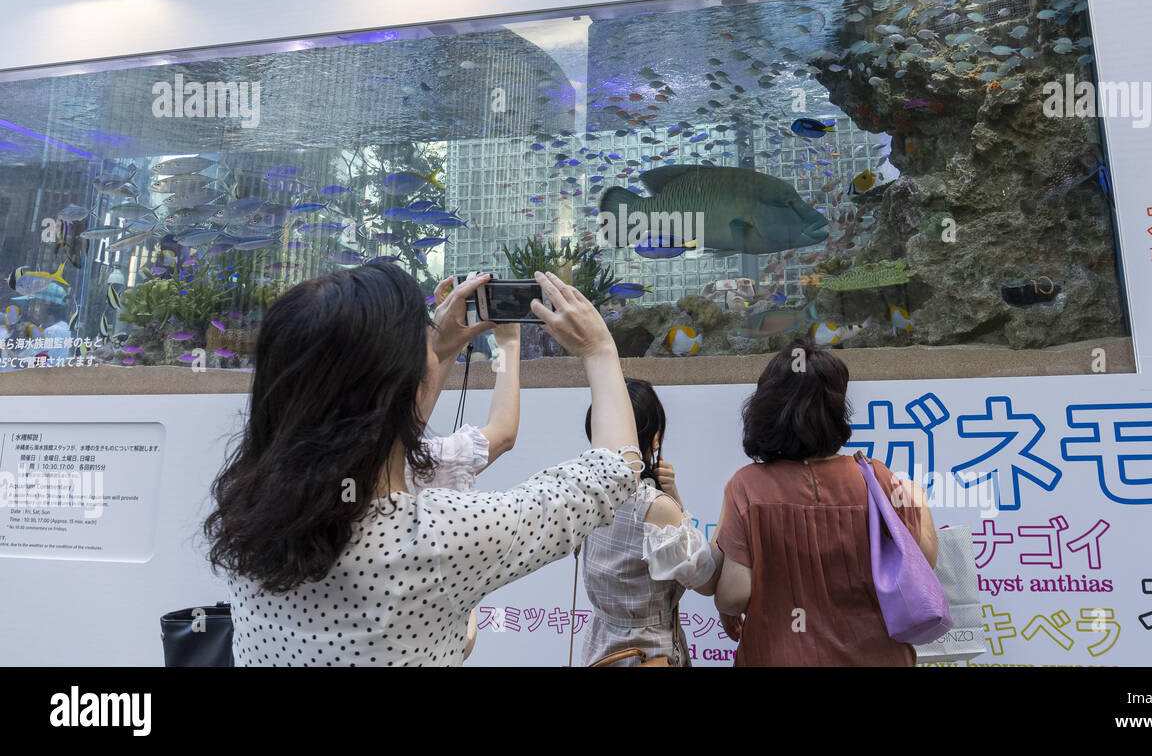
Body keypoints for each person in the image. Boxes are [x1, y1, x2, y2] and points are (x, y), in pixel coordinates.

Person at [205, 265, 644, 666]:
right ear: (401, 386)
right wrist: (599, 349)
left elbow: (377, 436)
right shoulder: (436, 537)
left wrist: (439, 347)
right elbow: (614, 471)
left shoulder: (247, 510)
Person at [713, 340, 938, 666]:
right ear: (836, 409)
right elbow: (923, 563)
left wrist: (724, 604)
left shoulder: (748, 485)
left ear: (766, 407)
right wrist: (919, 501)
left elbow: (734, 596)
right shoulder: (875, 477)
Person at [405, 272, 523, 659]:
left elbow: (397, 426)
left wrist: (444, 342)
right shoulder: (422, 466)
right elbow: (503, 433)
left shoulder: (277, 480)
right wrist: (508, 344)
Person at [580, 379, 720, 667]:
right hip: (651, 653)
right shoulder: (655, 507)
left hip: (601, 650)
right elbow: (705, 582)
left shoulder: (586, 493)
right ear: (655, 440)